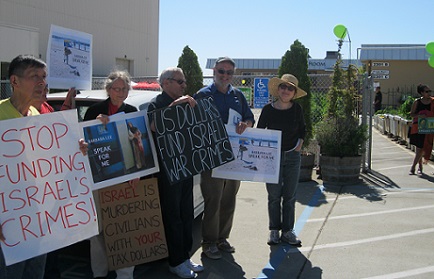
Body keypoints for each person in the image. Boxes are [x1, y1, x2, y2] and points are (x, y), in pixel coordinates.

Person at [0, 54, 88, 279]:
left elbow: (49, 162)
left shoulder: (39, 116)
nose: (42, 82)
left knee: (35, 273)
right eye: (34, 76)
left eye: (44, 77)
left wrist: (75, 151)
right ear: (14, 81)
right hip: (7, 219)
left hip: (36, 216)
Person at [193, 57, 254, 259]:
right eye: (221, 71)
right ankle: (209, 242)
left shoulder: (237, 96)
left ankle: (222, 238)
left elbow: (250, 118)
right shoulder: (202, 95)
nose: (225, 75)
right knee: (213, 200)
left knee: (229, 199)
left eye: (229, 72)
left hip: (235, 157)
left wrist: (246, 123)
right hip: (212, 158)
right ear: (214, 72)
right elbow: (193, 125)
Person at [147, 67, 203, 278]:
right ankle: (175, 261)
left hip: (186, 166)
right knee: (173, 217)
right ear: (166, 82)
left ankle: (185, 256)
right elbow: (153, 126)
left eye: (184, 82)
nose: (184, 86)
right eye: (180, 82)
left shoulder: (188, 103)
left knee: (187, 213)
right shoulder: (156, 103)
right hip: (168, 171)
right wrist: (175, 106)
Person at [84, 70, 138, 279]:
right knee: (97, 231)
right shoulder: (93, 111)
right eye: (117, 88)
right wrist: (95, 125)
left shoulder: (132, 110)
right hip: (99, 179)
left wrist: (137, 173)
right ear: (108, 89)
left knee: (124, 227)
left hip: (125, 179)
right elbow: (83, 141)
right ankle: (99, 273)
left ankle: (125, 274)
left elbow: (138, 143)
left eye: (124, 88)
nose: (121, 92)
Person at [257, 74, 307, 246]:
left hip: (293, 156)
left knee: (290, 196)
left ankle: (287, 231)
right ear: (278, 89)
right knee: (273, 196)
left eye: (290, 88)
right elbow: (260, 132)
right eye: (283, 87)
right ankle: (274, 230)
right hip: (272, 157)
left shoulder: (297, 109)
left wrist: (300, 143)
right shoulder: (267, 110)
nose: (286, 91)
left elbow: (303, 130)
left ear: (294, 93)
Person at [409, 84, 433, 175]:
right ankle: (414, 167)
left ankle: (419, 167)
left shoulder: (432, 101)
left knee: (425, 148)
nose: (429, 93)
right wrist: (419, 116)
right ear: (422, 93)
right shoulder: (417, 102)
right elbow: (412, 114)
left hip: (429, 125)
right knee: (419, 149)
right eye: (427, 92)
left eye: (429, 91)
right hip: (418, 126)